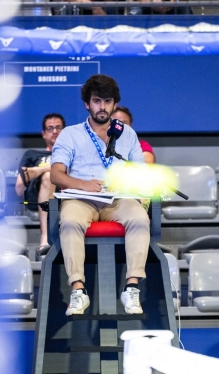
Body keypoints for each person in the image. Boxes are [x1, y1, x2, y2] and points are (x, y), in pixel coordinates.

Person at [50, 74, 150, 316]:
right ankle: (78, 290)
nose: (102, 107)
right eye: (97, 101)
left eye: (107, 101)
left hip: (117, 198)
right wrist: (82, 184)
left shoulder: (126, 134)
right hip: (80, 198)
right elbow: (55, 174)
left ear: (114, 104)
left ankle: (132, 288)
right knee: (71, 221)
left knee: (139, 219)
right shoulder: (70, 134)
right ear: (87, 103)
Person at [15, 113, 66, 260]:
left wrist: (39, 170)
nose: (55, 131)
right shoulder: (32, 154)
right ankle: (45, 237)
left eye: (58, 128)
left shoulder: (72, 154)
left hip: (65, 196)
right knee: (49, 177)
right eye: (50, 128)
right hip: (38, 197)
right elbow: (19, 188)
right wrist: (48, 170)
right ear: (43, 134)